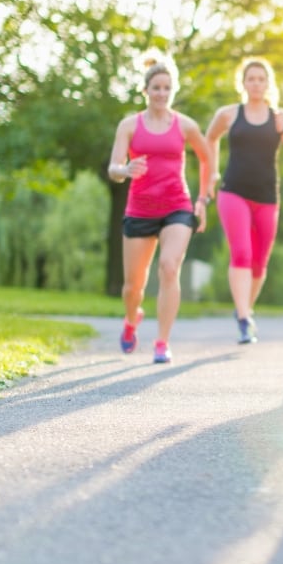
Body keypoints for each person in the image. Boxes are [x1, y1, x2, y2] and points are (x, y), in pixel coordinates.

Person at [107, 53, 215, 364]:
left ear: (173, 90)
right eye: (156, 87)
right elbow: (113, 168)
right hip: (139, 210)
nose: (162, 93)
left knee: (169, 267)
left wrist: (202, 200)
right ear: (146, 90)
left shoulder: (185, 125)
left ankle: (162, 342)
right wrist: (124, 169)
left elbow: (207, 159)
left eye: (167, 88)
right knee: (133, 287)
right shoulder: (129, 125)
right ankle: (131, 320)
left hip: (176, 207)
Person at [205, 57, 283, 345]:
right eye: (251, 79)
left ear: (268, 83)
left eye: (261, 79)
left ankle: (245, 310)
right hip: (233, 191)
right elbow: (209, 139)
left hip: (266, 196)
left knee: (260, 263)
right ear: (244, 83)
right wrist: (212, 171)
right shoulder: (229, 113)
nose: (256, 84)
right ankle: (243, 318)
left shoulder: (281, 116)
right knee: (242, 254)